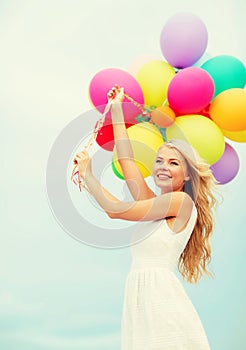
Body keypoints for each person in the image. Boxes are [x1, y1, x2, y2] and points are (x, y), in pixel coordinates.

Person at [74, 85, 218, 349]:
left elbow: (115, 210)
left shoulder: (181, 202)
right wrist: (117, 110)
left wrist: (88, 176)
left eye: (173, 163)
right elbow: (126, 159)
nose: (163, 166)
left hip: (162, 302)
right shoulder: (153, 203)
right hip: (140, 301)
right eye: (159, 161)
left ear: (187, 175)